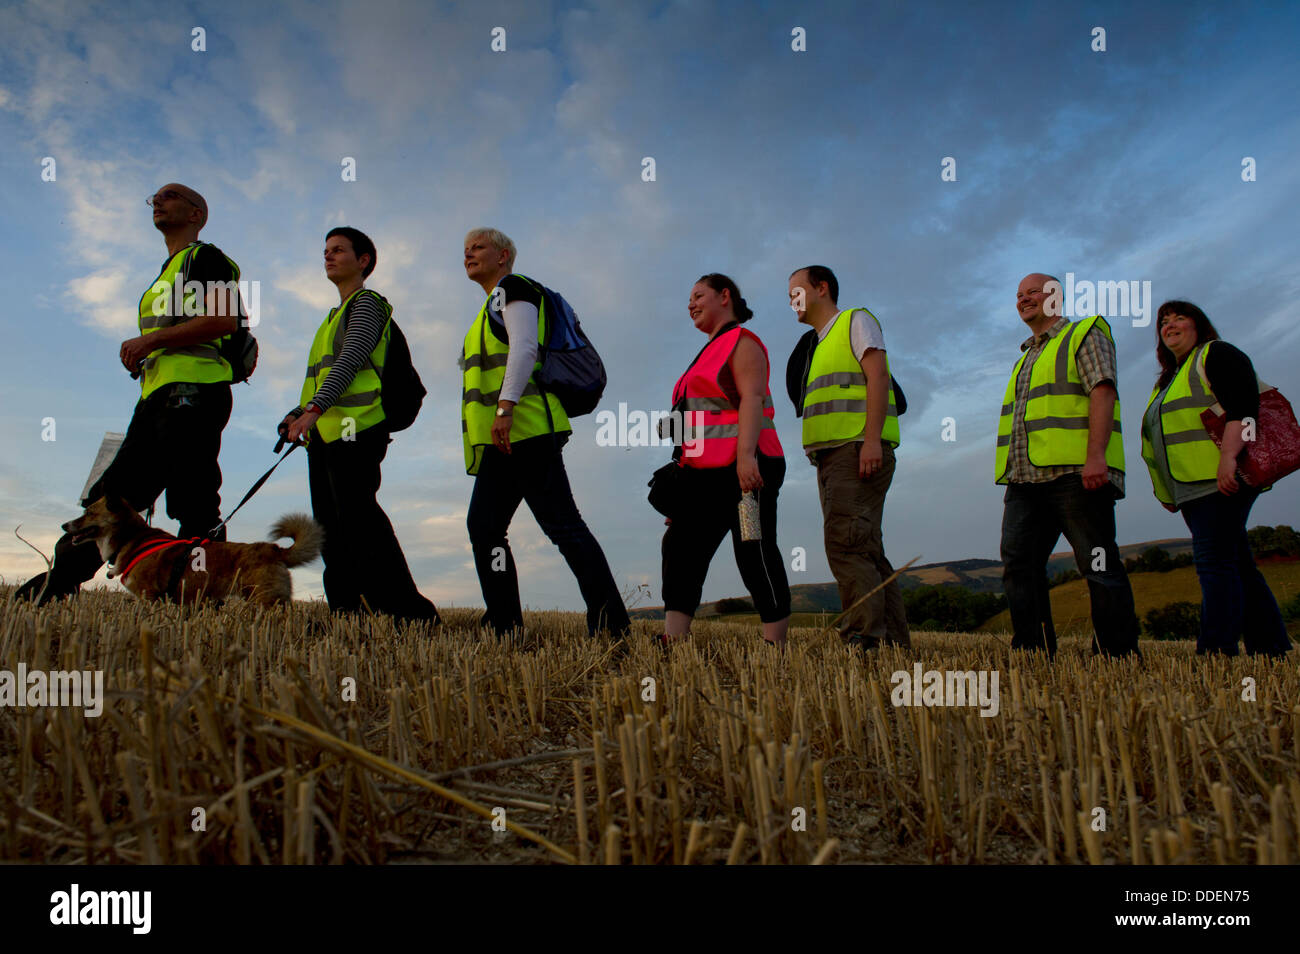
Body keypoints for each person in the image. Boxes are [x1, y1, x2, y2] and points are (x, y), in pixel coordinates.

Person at [16, 183, 240, 604]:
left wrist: (149, 342)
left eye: (170, 196)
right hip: (160, 396)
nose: (157, 200)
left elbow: (223, 320)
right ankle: (52, 588)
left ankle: (203, 597)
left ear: (196, 214)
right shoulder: (168, 269)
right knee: (113, 500)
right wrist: (150, 354)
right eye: (153, 197)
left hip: (193, 392)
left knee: (192, 499)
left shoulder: (204, 257)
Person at [460, 227, 629, 642]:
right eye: (465, 250)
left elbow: (524, 349)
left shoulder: (512, 287)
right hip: (508, 437)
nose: (468, 254)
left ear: (503, 256)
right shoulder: (487, 308)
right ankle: (505, 624)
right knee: (488, 528)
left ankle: (609, 625)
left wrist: (505, 408)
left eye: (478, 247)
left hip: (527, 429)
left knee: (561, 527)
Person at [280, 227, 441, 626]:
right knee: (329, 530)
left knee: (361, 523)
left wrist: (314, 408)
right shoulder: (330, 318)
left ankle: (410, 616)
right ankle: (347, 614)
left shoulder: (368, 304)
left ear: (363, 260)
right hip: (325, 435)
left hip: (357, 430)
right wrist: (297, 412)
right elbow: (322, 375)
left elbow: (351, 360)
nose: (328, 257)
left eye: (338, 250)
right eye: (325, 251)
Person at [994, 273, 1139, 657]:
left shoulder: (1084, 334)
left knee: (1098, 563)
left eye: (1032, 293)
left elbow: (1102, 392)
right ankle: (1033, 649)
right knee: (1018, 565)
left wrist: (1097, 458)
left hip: (1076, 475)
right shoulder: (1026, 356)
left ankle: (1117, 654)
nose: (1023, 299)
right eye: (1018, 295)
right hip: (1025, 480)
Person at [1139, 301, 1291, 657]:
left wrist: (1228, 458)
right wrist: (1167, 490)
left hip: (1221, 479)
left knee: (1213, 562)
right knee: (1235, 562)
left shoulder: (1216, 354)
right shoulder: (1168, 380)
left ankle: (1216, 651)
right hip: (1191, 486)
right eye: (1164, 321)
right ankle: (1269, 647)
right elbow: (1159, 441)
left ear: (1199, 326)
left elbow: (1244, 407)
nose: (1170, 324)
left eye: (1180, 317)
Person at [659, 273, 791, 647]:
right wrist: (680, 490)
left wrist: (746, 459)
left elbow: (752, 399)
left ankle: (775, 645)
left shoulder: (743, 342)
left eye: (698, 295)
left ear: (725, 296)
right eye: (689, 299)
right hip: (702, 478)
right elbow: (692, 421)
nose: (691, 304)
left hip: (746, 472)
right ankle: (675, 639)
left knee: (754, 548)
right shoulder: (705, 353)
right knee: (680, 545)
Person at [787, 266, 910, 651]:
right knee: (865, 547)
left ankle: (863, 637)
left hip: (856, 450)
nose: (792, 302)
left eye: (797, 292)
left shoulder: (855, 321)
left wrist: (871, 440)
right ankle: (890, 642)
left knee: (846, 546)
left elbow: (879, 377)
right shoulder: (818, 345)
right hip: (835, 457)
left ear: (821, 288)